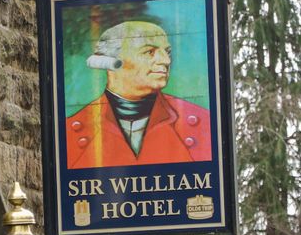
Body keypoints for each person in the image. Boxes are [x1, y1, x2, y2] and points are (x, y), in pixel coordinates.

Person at [66, 20, 211, 169]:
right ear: (110, 62)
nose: (166, 61)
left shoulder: (204, 125)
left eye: (167, 52)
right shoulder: (68, 134)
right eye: (149, 51)